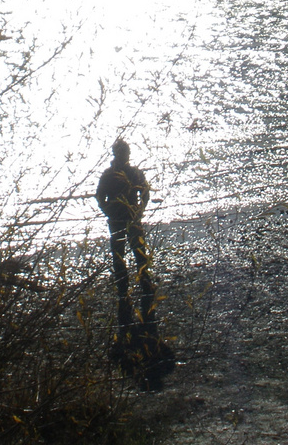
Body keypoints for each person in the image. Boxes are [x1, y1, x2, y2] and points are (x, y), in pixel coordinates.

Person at [94, 138, 172, 389]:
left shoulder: (125, 173)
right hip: (121, 218)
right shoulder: (113, 174)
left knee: (137, 254)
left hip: (128, 218)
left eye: (125, 152)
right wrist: (113, 212)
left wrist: (138, 210)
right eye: (122, 152)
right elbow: (100, 197)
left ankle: (138, 285)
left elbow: (144, 192)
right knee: (122, 255)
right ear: (118, 153)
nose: (124, 155)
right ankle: (125, 287)